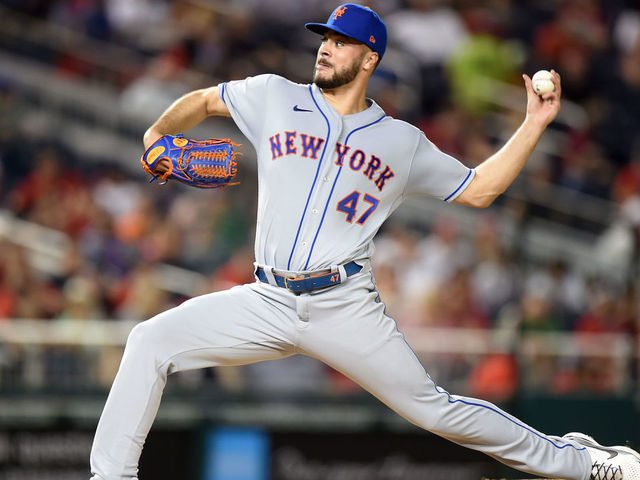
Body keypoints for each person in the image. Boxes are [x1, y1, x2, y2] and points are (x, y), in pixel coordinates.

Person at [89, 4, 640, 480]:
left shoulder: (401, 143)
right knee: (148, 341)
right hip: (266, 299)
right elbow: (207, 100)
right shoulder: (274, 96)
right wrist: (157, 134)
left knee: (436, 412)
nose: (325, 48)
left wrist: (533, 124)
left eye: (340, 41)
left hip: (343, 305)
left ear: (369, 58)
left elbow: (480, 189)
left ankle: (583, 462)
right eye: (324, 38)